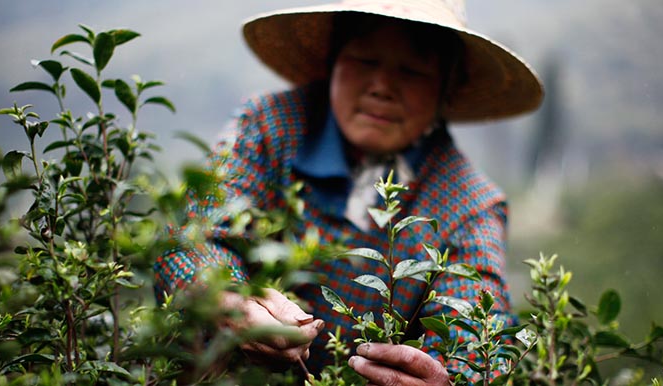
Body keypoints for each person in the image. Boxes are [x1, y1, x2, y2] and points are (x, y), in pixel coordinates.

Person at [154, 0, 543, 384]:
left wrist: (446, 379)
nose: (382, 87)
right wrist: (228, 300)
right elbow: (193, 233)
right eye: (365, 60)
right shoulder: (269, 128)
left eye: (412, 70)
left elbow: (475, 335)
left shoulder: (469, 206)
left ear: (446, 87)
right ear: (333, 62)